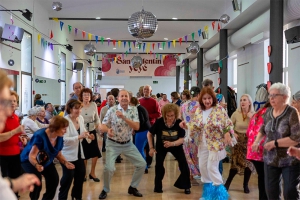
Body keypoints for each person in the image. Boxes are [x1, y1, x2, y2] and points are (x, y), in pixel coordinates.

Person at [181, 87, 235, 200]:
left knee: (212, 167)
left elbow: (227, 123)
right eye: (205, 98)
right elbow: (194, 125)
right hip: (203, 143)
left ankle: (220, 195)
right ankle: (208, 194)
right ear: (201, 99)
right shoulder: (199, 110)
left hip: (216, 144)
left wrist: (227, 133)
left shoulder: (219, 109)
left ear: (213, 98)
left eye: (209, 98)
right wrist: (186, 125)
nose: (207, 101)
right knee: (202, 167)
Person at [252, 83, 300, 200]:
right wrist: (257, 141)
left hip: (289, 159)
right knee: (271, 193)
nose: (271, 98)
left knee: (290, 192)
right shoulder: (268, 112)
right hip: (270, 158)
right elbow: (263, 128)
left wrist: (275, 143)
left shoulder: (292, 112)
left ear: (285, 97)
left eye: (275, 95)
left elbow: (296, 138)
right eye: (270, 95)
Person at [98, 90, 146, 199]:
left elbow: (136, 127)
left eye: (126, 96)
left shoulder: (134, 110)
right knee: (109, 168)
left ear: (129, 98)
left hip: (128, 144)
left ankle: (133, 187)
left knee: (142, 164)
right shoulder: (112, 110)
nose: (124, 98)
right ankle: (105, 189)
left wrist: (124, 117)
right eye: (122, 96)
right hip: (113, 144)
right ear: (118, 99)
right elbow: (102, 125)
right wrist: (107, 130)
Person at [0, 70, 40, 200]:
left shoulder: (16, 118)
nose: (9, 108)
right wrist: (14, 132)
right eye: (4, 103)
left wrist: (13, 184)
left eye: (13, 102)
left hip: (15, 152)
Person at [21, 116, 75, 200]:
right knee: (37, 182)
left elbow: (58, 154)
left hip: (45, 160)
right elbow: (32, 156)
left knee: (54, 180)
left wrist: (65, 162)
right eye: (64, 129)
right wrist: (37, 165)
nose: (66, 131)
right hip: (29, 161)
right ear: (55, 128)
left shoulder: (59, 136)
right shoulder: (40, 136)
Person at [148, 103, 191, 194]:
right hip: (161, 146)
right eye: (168, 116)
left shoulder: (179, 122)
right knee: (159, 165)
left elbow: (182, 139)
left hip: (175, 145)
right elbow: (149, 133)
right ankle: (158, 187)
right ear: (164, 115)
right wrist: (151, 148)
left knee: (183, 163)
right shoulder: (159, 122)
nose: (170, 118)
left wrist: (172, 143)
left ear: (175, 114)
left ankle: (186, 186)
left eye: (172, 116)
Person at [59, 99, 94, 200]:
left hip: (79, 153)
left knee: (80, 177)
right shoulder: (65, 121)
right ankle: (62, 198)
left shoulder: (81, 118)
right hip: (67, 155)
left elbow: (83, 132)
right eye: (76, 108)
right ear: (70, 109)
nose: (78, 111)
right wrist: (79, 137)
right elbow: (64, 139)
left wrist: (88, 136)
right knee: (68, 178)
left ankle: (77, 197)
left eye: (80, 108)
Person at [224, 94, 255, 193]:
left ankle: (245, 185)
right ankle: (227, 183)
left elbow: (258, 129)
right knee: (235, 164)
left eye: (244, 100)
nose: (242, 102)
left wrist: (252, 119)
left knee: (249, 165)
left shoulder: (254, 114)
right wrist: (233, 134)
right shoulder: (236, 114)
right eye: (241, 100)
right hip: (237, 142)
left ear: (249, 102)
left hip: (249, 142)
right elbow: (228, 126)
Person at [246, 102, 270, 200]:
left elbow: (248, 132)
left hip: (253, 150)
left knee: (262, 177)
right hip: (263, 149)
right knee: (267, 178)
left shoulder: (258, 113)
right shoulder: (271, 113)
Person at [0, 91, 24, 188]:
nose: (13, 103)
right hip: (3, 155)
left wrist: (20, 138)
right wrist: (14, 132)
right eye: (10, 101)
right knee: (5, 184)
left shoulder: (16, 117)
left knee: (15, 182)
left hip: (15, 154)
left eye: (15, 101)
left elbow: (15, 135)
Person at [79, 88, 102, 182]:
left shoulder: (93, 105)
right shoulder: (78, 105)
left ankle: (92, 173)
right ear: (81, 96)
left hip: (92, 129)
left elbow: (97, 118)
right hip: (82, 130)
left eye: (88, 95)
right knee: (84, 153)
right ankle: (84, 173)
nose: (86, 97)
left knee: (95, 152)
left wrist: (99, 128)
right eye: (84, 95)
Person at [180, 86, 201, 182]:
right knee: (197, 155)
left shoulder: (183, 105)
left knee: (187, 154)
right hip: (196, 134)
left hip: (186, 133)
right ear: (199, 94)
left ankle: (190, 174)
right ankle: (197, 173)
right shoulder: (199, 105)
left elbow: (180, 117)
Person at [139, 85, 161, 168]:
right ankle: (142, 161)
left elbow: (159, 114)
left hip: (151, 126)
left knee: (149, 144)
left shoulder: (154, 101)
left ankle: (148, 161)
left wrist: (148, 116)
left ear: (151, 91)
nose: (146, 91)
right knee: (141, 145)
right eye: (145, 89)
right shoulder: (139, 101)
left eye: (148, 89)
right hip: (140, 127)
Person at [130, 97, 151, 174]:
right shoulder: (141, 108)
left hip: (142, 131)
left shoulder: (137, 109)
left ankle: (143, 166)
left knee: (139, 149)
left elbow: (141, 121)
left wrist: (135, 128)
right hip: (145, 130)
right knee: (140, 149)